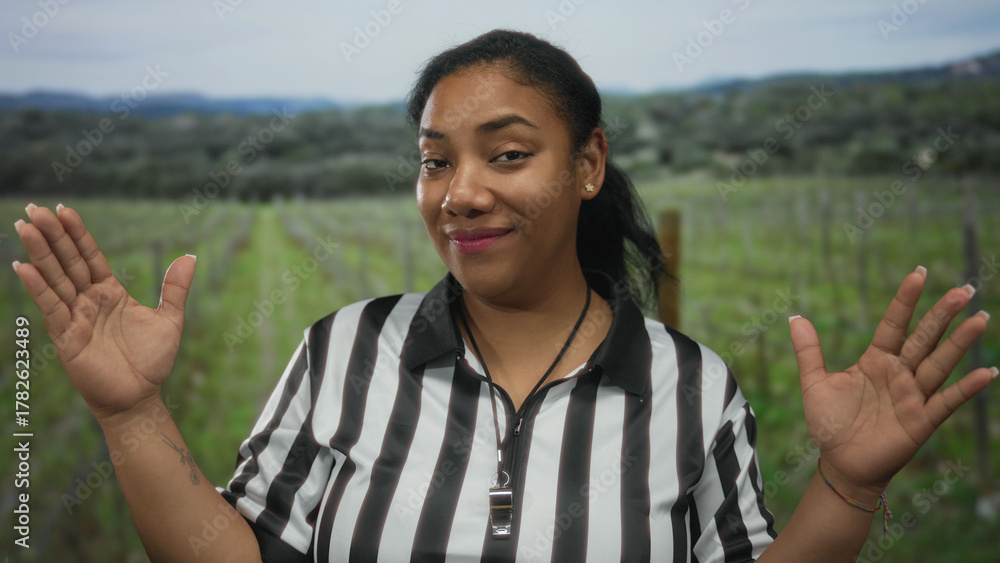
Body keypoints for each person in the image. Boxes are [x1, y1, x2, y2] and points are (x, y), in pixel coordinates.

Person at [12, 29, 995, 562]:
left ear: (587, 165)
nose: (461, 192)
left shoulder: (692, 386)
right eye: (435, 160)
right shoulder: (344, 351)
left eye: (509, 154)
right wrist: (131, 412)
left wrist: (847, 486)